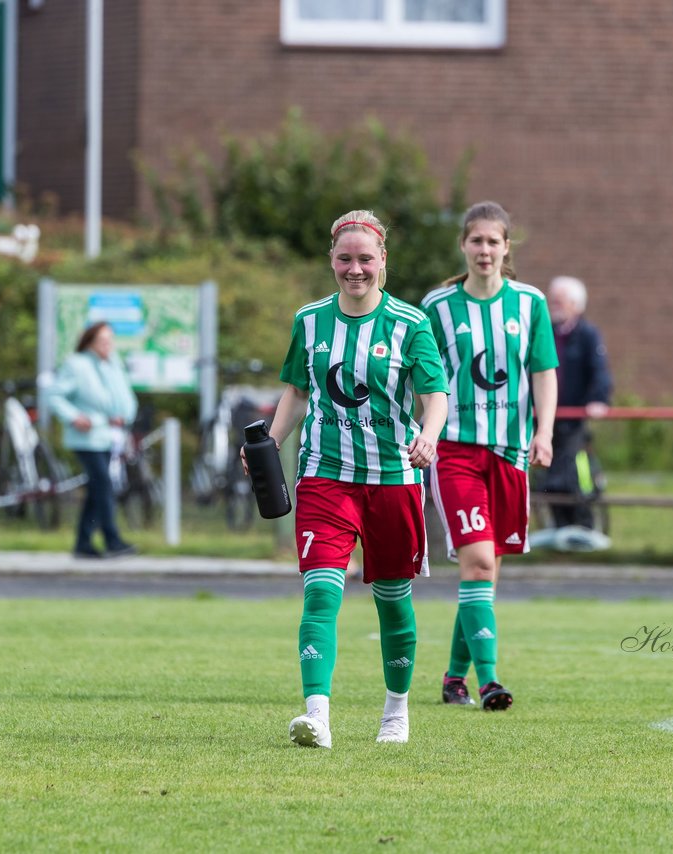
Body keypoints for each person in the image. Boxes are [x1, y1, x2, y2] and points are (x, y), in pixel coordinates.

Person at [245, 210, 449, 748]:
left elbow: (436, 395)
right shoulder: (309, 321)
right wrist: (269, 441)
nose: (354, 269)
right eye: (344, 259)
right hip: (325, 476)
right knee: (320, 595)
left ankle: (396, 712)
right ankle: (318, 716)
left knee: (393, 600)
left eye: (364, 259)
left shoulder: (410, 323)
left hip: (393, 477)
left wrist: (428, 435)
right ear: (331, 261)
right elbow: (297, 391)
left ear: (383, 261)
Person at [421, 201, 558, 711]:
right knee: (478, 564)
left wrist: (543, 432)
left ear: (506, 247)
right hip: (455, 450)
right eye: (475, 241)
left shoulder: (529, 304)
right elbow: (424, 379)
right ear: (464, 245)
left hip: (509, 452)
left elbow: (544, 372)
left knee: (484, 572)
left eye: (493, 242)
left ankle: (454, 677)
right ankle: (490, 682)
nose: (484, 250)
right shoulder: (437, 306)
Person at [46, 321, 138, 559]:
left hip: (108, 437)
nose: (107, 345)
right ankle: (112, 539)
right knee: (104, 486)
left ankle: (83, 542)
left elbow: (123, 398)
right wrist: (74, 416)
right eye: (102, 340)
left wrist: (123, 415)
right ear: (90, 341)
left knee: (97, 489)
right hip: (86, 438)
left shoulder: (113, 364)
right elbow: (54, 395)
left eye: (109, 340)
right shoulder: (76, 365)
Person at [540, 275, 613, 530]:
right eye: (553, 301)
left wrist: (597, 401)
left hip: (573, 420)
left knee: (573, 471)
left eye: (560, 301)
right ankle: (558, 525)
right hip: (544, 418)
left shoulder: (587, 334)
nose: (554, 306)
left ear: (576, 305)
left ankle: (583, 525)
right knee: (546, 472)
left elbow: (600, 372)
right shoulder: (544, 333)